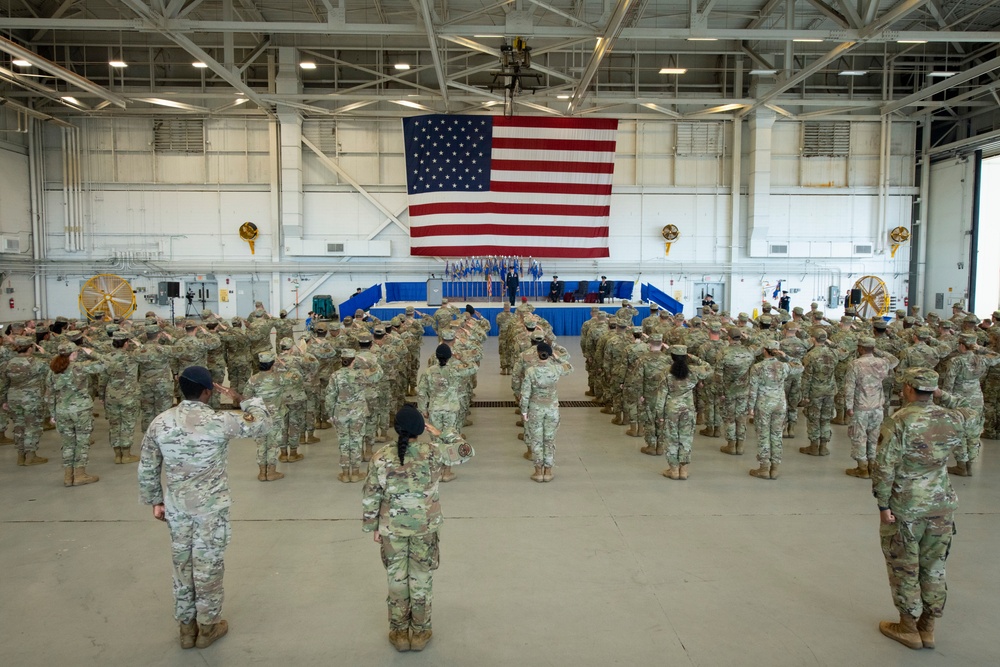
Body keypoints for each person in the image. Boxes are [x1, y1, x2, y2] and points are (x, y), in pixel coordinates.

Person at [138, 366, 272, 649]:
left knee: (182, 564)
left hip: (176, 507)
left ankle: (186, 629)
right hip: (210, 510)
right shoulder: (219, 421)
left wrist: (156, 501)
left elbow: (148, 466)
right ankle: (208, 627)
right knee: (208, 566)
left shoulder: (160, 422)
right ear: (208, 392)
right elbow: (262, 424)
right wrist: (243, 398)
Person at [871, 368, 971, 650]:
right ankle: (928, 627)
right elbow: (973, 411)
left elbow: (884, 466)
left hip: (907, 505)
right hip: (941, 502)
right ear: (933, 390)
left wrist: (882, 504)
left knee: (904, 565)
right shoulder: (951, 417)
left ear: (908, 389)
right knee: (935, 567)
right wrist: (944, 396)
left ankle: (908, 627)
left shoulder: (899, 421)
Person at [362, 405, 474, 652]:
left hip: (392, 529)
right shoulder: (433, 452)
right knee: (421, 577)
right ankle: (421, 633)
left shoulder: (381, 456)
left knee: (397, 578)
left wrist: (373, 526)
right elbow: (466, 451)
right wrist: (443, 433)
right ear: (420, 430)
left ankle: (399, 632)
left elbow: (371, 494)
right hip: (425, 527)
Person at [520, 342, 573, 482]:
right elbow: (570, 367)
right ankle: (548, 471)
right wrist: (557, 356)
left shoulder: (530, 371)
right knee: (549, 440)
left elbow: (525, 393)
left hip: (535, 409)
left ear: (537, 354)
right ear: (549, 354)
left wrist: (524, 411)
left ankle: (538, 472)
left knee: (536, 440)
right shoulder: (556, 369)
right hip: (551, 409)